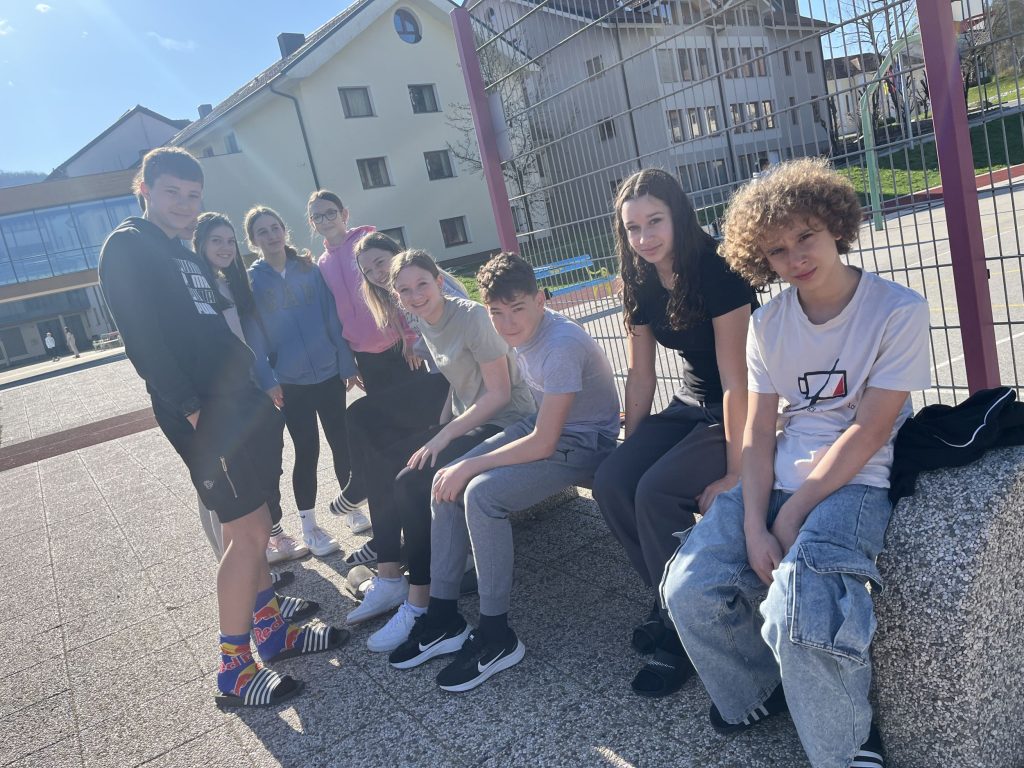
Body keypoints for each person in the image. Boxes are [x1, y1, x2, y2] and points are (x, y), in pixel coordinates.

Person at [662, 158, 930, 767]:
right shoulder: (767, 324)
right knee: (689, 587)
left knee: (799, 610)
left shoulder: (897, 310)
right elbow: (758, 432)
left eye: (805, 235)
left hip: (854, 483)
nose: (796, 257)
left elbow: (870, 431)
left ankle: (846, 744)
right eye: (776, 250)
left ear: (836, 224)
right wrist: (754, 523)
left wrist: (791, 515)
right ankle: (763, 693)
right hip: (777, 474)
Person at [99, 147, 346, 709]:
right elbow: (142, 339)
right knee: (248, 532)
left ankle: (271, 632)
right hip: (204, 411)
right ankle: (234, 670)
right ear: (144, 189)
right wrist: (191, 409)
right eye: (172, 192)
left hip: (236, 403)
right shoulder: (129, 246)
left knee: (251, 526)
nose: (184, 204)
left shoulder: (180, 250)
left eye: (193, 195)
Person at [388, 253, 620, 692]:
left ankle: (497, 636)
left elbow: (546, 443)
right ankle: (444, 616)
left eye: (517, 308)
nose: (507, 323)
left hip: (586, 442)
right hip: (544, 425)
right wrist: (460, 462)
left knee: (481, 493)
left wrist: (473, 463)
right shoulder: (515, 332)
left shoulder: (560, 344)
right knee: (445, 480)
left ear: (540, 299)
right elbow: (539, 425)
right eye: (496, 312)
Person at [591, 168, 755, 697]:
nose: (644, 237)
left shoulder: (717, 270)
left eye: (655, 221)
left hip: (736, 407)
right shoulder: (639, 278)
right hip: (687, 404)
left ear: (678, 216)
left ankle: (686, 630)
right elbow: (641, 375)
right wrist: (632, 448)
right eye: (633, 228)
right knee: (614, 480)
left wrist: (736, 470)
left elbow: (737, 379)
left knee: (656, 492)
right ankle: (671, 603)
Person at [348, 249, 535, 655]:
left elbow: (500, 394)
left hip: (510, 421)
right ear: (396, 296)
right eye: (405, 290)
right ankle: (391, 577)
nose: (415, 295)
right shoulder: (424, 319)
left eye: (422, 284)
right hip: (472, 417)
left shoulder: (472, 317)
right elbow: (457, 377)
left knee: (412, 483)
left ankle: (421, 603)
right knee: (386, 464)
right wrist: (440, 424)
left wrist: (443, 436)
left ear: (439, 281)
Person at [190, 212, 309, 605]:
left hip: (247, 389)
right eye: (216, 241)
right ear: (199, 244)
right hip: (215, 398)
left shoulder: (228, 283)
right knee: (222, 484)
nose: (225, 248)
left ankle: (262, 557)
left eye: (229, 241)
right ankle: (239, 571)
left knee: (256, 472)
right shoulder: (195, 288)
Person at [341, 232, 467, 568]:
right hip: (443, 382)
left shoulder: (436, 288)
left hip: (458, 389)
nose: (376, 273)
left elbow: (464, 359)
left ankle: (366, 496)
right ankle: (387, 546)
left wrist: (445, 422)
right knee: (368, 428)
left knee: (367, 427)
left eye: (380, 262)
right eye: (367, 270)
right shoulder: (399, 297)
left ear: (397, 253)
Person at [244, 206, 359, 561]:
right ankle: (309, 526)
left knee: (342, 442)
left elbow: (331, 316)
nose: (271, 235)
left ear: (285, 230)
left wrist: (345, 362)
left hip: (328, 372)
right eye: (262, 232)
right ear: (253, 241)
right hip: (290, 382)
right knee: (307, 450)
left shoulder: (309, 269)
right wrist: (267, 379)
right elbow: (254, 336)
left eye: (275, 227)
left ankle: (352, 508)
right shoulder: (252, 281)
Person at [310, 190, 421, 528]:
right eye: (317, 216)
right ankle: (403, 488)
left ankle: (422, 480)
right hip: (366, 355)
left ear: (344, 213)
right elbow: (334, 314)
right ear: (313, 224)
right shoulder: (322, 264)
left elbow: (395, 289)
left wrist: (411, 338)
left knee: (418, 419)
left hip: (399, 347)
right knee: (389, 424)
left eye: (330, 212)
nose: (325, 220)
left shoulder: (367, 246)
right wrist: (349, 360)